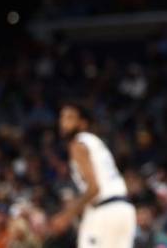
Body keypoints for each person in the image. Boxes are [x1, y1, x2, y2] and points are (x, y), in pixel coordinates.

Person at [53, 103, 137, 247]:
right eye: (62, 117)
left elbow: (94, 188)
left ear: (83, 123)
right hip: (124, 209)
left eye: (70, 117)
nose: (63, 122)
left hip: (105, 210)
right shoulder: (96, 142)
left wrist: (67, 215)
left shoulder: (77, 144)